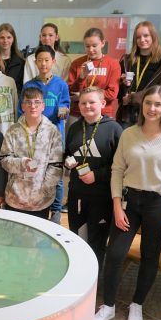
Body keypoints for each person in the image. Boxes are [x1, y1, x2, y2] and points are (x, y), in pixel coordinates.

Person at [94, 86, 161, 320]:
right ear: (142, 105)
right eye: (148, 103)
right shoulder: (129, 134)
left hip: (159, 203)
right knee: (115, 254)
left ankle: (137, 304)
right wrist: (116, 205)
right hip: (128, 201)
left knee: (150, 256)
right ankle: (109, 306)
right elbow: (117, 170)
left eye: (157, 104)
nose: (152, 108)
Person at [63, 88, 122, 268]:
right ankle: (78, 273)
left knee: (96, 240)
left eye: (92, 102)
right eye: (83, 103)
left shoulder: (113, 129)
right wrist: (67, 161)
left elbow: (121, 166)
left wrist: (97, 175)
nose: (87, 106)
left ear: (103, 104)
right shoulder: (74, 127)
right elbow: (67, 153)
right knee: (77, 237)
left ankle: (94, 280)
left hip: (101, 196)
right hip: (77, 194)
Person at [21, 44, 70, 223]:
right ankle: (36, 206)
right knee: (35, 171)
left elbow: (66, 107)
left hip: (55, 137)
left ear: (53, 61)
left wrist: (63, 110)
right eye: (39, 60)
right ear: (35, 62)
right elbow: (22, 111)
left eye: (47, 60)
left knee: (55, 175)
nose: (43, 63)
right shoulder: (29, 85)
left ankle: (56, 211)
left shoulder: (61, 85)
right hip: (34, 137)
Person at [0, 87, 63, 218]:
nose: (32, 106)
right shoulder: (13, 130)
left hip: (41, 201)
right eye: (28, 102)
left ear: (43, 106)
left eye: (37, 102)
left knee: (38, 238)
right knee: (13, 237)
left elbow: (56, 166)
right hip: (15, 198)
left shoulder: (52, 131)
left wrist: (44, 190)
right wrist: (22, 163)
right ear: (23, 106)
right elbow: (4, 160)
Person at [118, 21, 161, 128]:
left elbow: (160, 91)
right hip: (126, 115)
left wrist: (132, 97)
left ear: (153, 37)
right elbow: (118, 92)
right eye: (138, 37)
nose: (142, 40)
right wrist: (123, 84)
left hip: (150, 115)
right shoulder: (126, 60)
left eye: (146, 36)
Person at [67, 28, 122, 120]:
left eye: (94, 45)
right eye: (87, 46)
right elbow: (71, 92)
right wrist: (81, 77)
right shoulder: (77, 63)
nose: (91, 49)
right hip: (78, 113)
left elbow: (112, 94)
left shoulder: (113, 64)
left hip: (103, 114)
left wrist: (82, 96)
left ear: (103, 43)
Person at [0, 23, 26, 93]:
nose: (5, 41)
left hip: (14, 100)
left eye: (9, 37)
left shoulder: (21, 61)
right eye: (2, 37)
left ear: (13, 39)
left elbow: (21, 86)